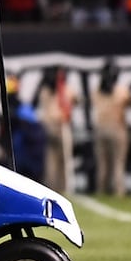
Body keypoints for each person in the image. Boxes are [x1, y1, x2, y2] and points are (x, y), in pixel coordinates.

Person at [90, 59, 131, 197]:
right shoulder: (121, 90)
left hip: (101, 129)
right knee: (118, 164)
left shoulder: (96, 90)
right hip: (116, 128)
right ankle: (119, 192)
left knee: (103, 165)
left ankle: (101, 191)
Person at [36, 66, 77, 194]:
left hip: (53, 126)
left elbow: (75, 100)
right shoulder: (59, 90)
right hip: (57, 127)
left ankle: (56, 189)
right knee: (59, 161)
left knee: (55, 162)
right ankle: (60, 188)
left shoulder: (51, 90)